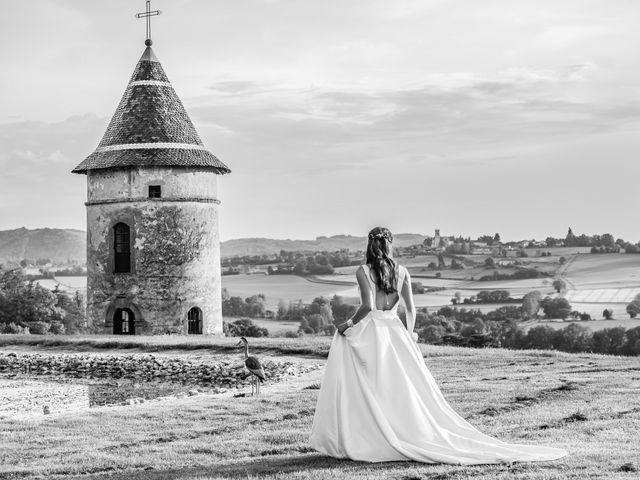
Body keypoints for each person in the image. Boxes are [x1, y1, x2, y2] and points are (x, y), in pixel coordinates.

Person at [309, 226, 567, 464]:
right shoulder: (402, 272)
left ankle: (372, 432)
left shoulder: (363, 271)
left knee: (370, 383)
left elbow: (366, 306)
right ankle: (401, 427)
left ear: (369, 245)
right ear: (390, 245)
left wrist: (348, 325)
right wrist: (409, 335)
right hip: (395, 332)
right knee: (400, 386)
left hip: (373, 331)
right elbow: (410, 308)